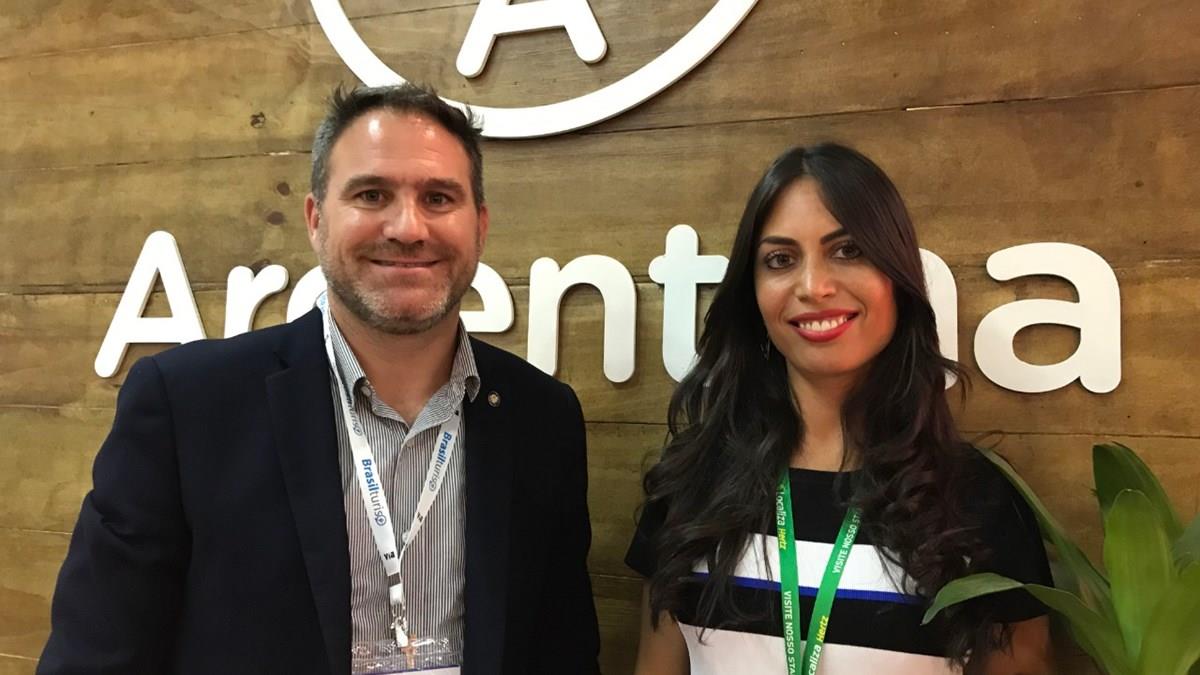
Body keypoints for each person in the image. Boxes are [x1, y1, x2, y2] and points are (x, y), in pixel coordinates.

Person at [39, 84, 601, 675]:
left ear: (480, 227)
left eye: (438, 198)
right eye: (371, 194)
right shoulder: (188, 407)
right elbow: (94, 658)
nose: (407, 227)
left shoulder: (543, 418)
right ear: (315, 219)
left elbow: (563, 653)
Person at [626, 143, 1054, 674]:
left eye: (848, 250)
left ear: (897, 276)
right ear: (752, 293)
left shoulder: (977, 501)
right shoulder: (693, 484)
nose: (814, 287)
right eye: (780, 260)